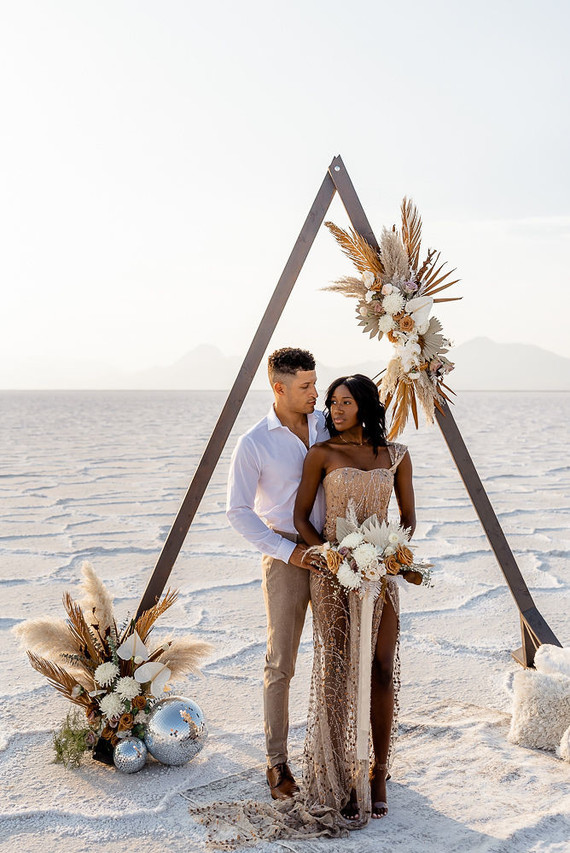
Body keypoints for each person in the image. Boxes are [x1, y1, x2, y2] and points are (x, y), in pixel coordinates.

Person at [293, 373, 416, 826]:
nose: (336, 410)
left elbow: (408, 518)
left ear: (365, 404)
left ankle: (378, 771)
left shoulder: (395, 455)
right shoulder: (321, 454)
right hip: (334, 575)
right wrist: (331, 554)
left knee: (381, 667)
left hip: (380, 574)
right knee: (337, 670)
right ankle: (336, 773)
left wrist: (390, 554)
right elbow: (301, 518)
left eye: (345, 402)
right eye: (332, 402)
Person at [226, 347, 329, 800]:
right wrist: (288, 553)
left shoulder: (328, 423)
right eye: (305, 386)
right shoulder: (254, 443)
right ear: (279, 388)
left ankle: (336, 754)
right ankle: (277, 762)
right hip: (285, 555)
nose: (315, 393)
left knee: (339, 657)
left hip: (333, 555)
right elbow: (237, 511)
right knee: (281, 661)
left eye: (315, 383)